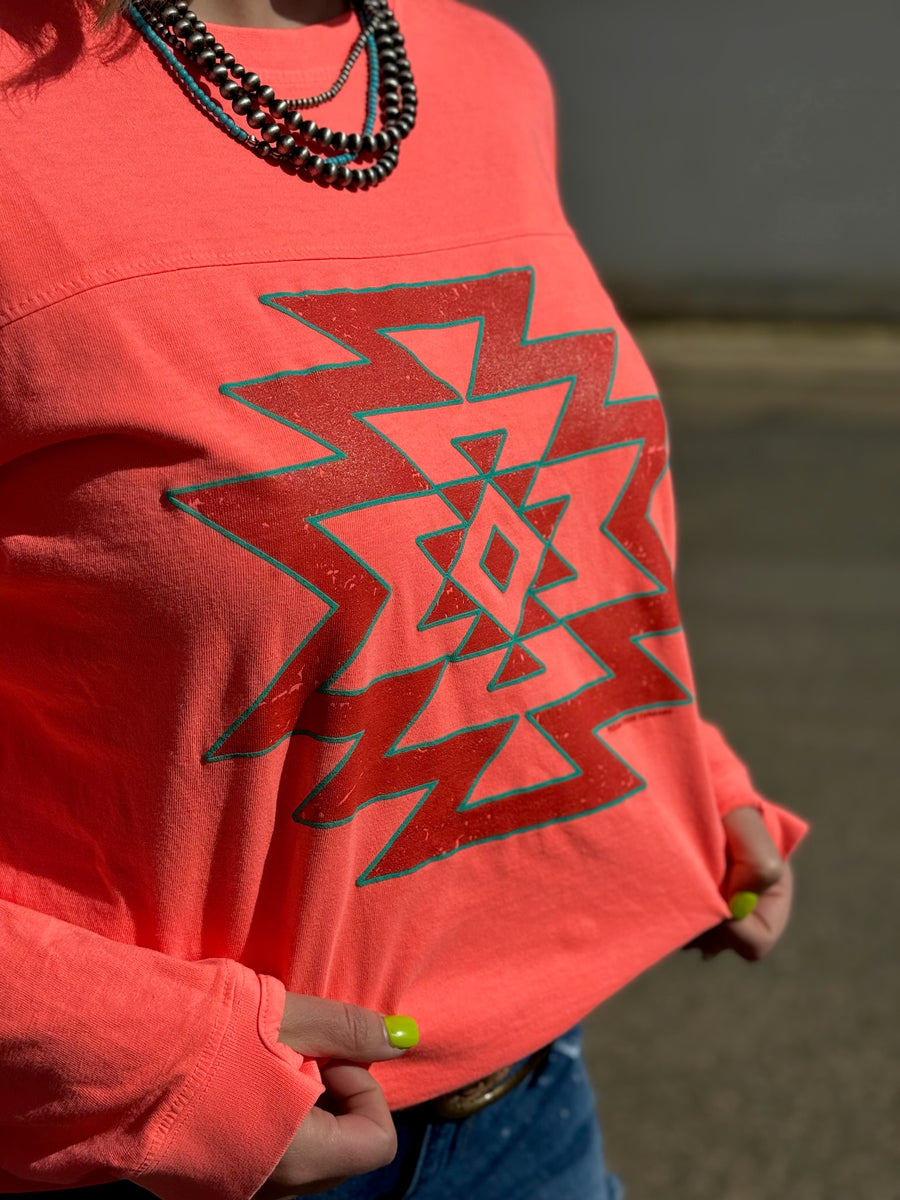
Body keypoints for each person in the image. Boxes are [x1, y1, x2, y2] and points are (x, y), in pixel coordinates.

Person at [0, 0, 809, 1197]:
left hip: (533, 1120)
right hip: (150, 1159)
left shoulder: (480, 73)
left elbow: (481, 511)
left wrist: (671, 771)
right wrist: (142, 1059)